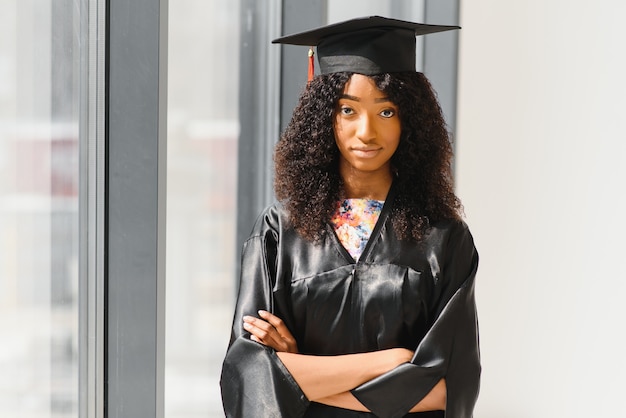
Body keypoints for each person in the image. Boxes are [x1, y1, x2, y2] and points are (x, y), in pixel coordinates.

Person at [220, 16, 480, 418]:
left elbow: (449, 388)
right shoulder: (279, 231)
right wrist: (391, 361)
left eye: (387, 112)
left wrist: (298, 374)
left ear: (411, 119)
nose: (367, 132)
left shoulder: (443, 238)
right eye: (348, 109)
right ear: (324, 117)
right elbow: (247, 375)